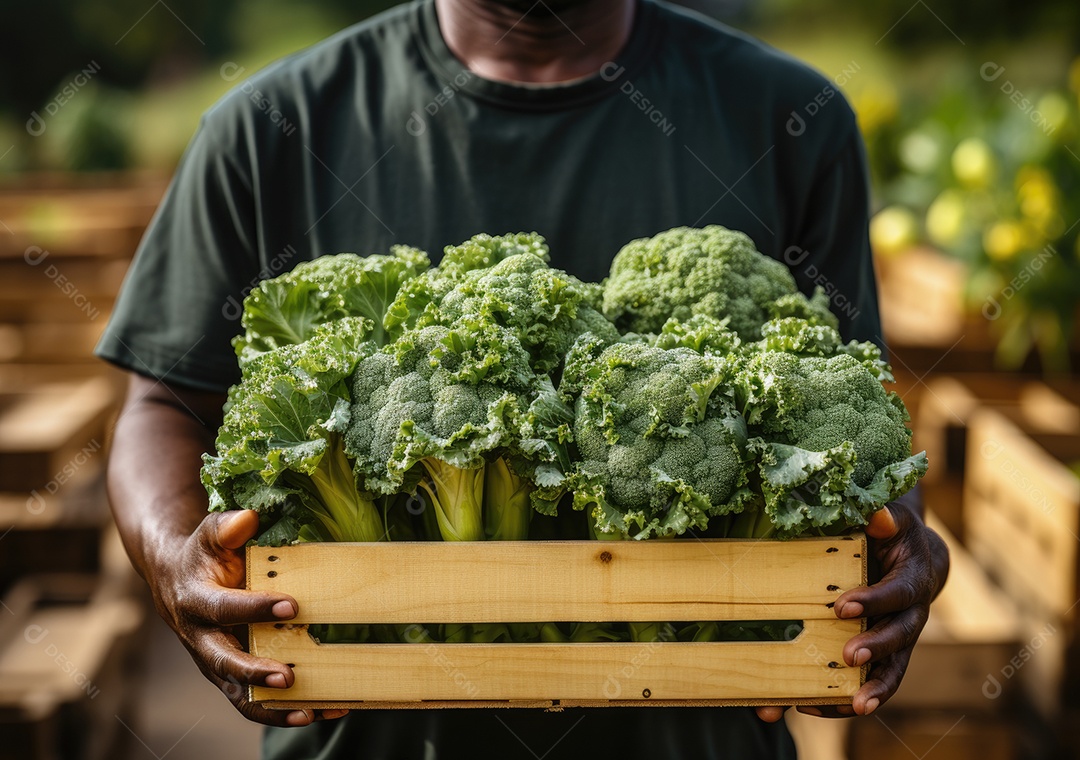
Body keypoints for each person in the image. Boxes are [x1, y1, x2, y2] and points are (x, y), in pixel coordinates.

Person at [97, 0, 950, 756]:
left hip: (701, 725)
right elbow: (161, 401)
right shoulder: (267, 126)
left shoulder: (791, 118)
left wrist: (899, 536)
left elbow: (856, 412)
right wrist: (176, 561)